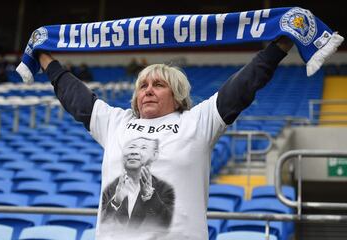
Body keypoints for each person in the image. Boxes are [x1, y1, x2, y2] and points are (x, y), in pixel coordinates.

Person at [37, 35, 293, 240]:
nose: (148, 91)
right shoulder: (116, 122)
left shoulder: (197, 122)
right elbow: (75, 96)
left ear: (178, 96)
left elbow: (245, 84)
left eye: (158, 85)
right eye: (143, 86)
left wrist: (280, 46)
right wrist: (45, 59)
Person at [101, 137, 175, 232]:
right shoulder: (110, 188)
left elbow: (168, 225)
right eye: (131, 147)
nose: (134, 152)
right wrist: (116, 202)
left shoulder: (166, 189)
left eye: (143, 148)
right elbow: (102, 223)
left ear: (155, 155)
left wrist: (149, 198)